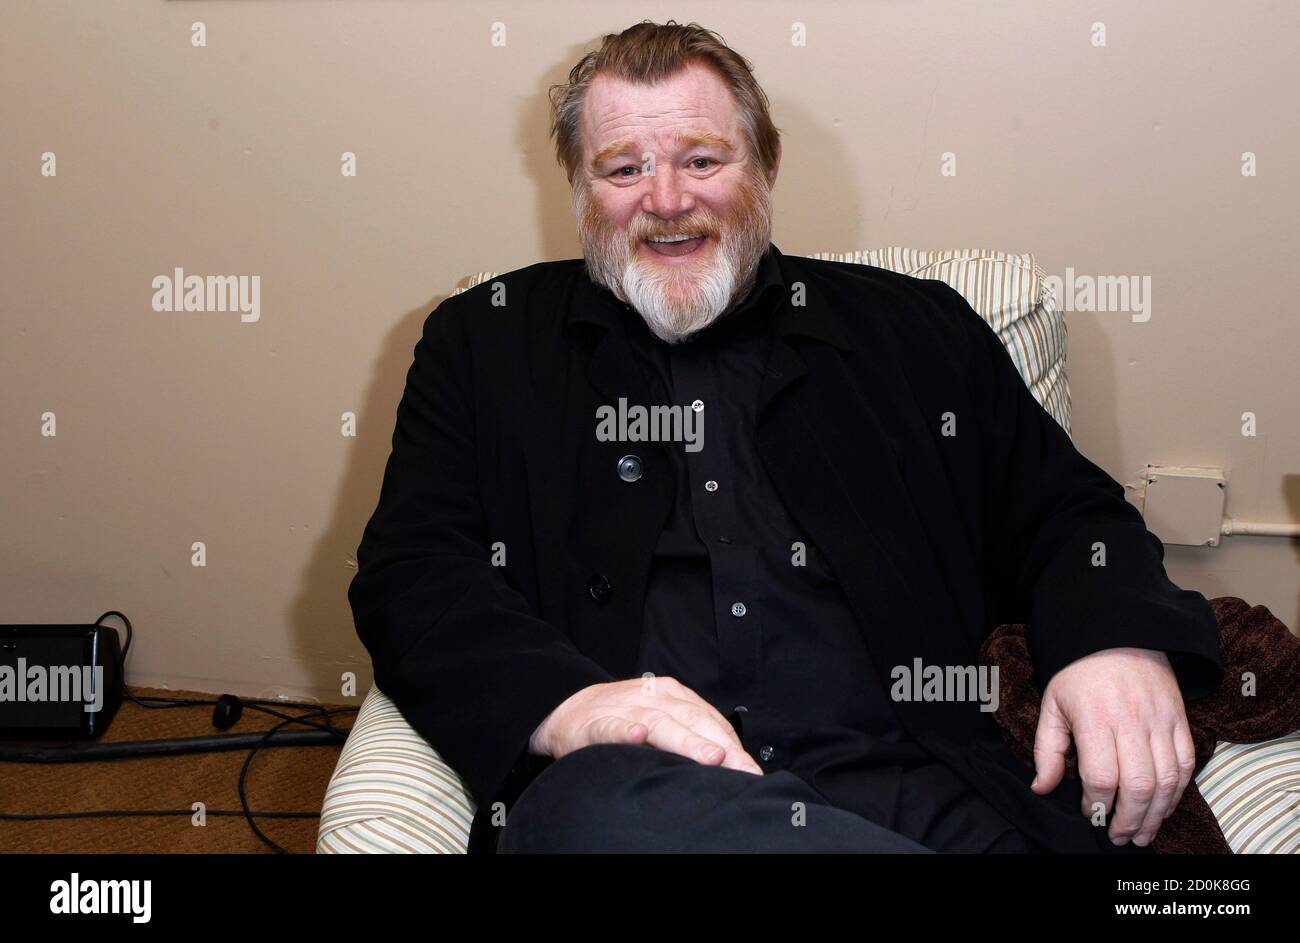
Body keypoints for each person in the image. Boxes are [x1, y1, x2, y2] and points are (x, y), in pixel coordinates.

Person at [349, 20, 1222, 854]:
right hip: (651, 805)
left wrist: (1113, 638)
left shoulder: (916, 331)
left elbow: (1067, 513)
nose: (666, 199)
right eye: (623, 168)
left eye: (702, 159)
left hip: (922, 788)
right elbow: (414, 573)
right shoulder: (483, 344)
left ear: (765, 164)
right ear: (579, 189)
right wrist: (574, 707)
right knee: (573, 813)